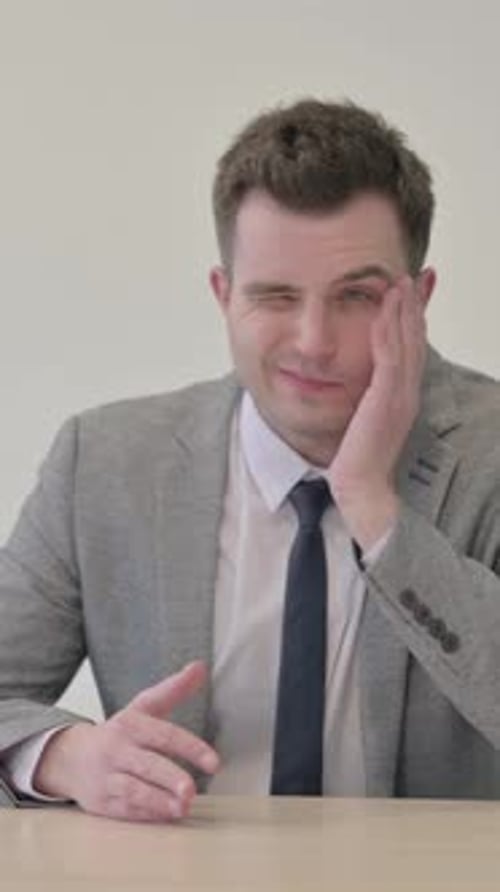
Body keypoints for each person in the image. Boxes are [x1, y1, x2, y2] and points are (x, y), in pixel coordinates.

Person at [1, 98, 500, 823]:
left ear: (418, 301)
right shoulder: (104, 463)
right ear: (224, 294)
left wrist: (373, 506)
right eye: (275, 296)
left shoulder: (490, 453)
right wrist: (63, 756)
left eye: (357, 296)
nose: (313, 341)